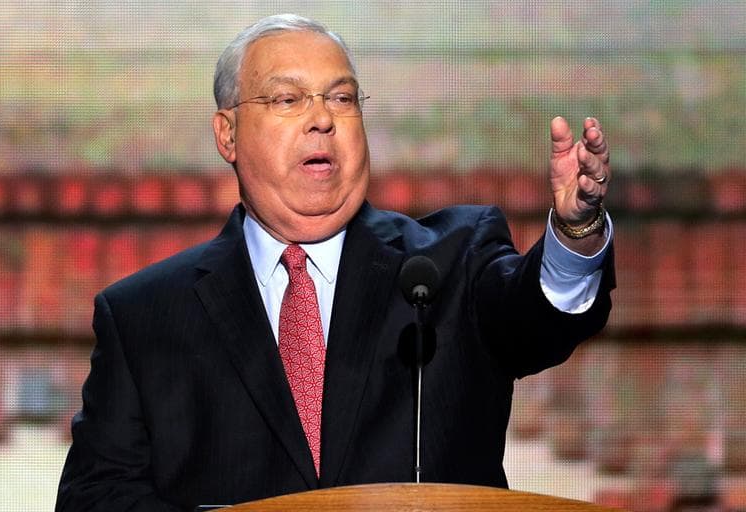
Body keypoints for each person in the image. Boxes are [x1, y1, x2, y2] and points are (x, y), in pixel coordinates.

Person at [56, 14, 614, 511]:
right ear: (227, 133)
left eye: (342, 99)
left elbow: (536, 319)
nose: (322, 118)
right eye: (287, 99)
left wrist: (575, 231)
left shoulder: (449, 264)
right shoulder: (144, 315)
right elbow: (94, 496)